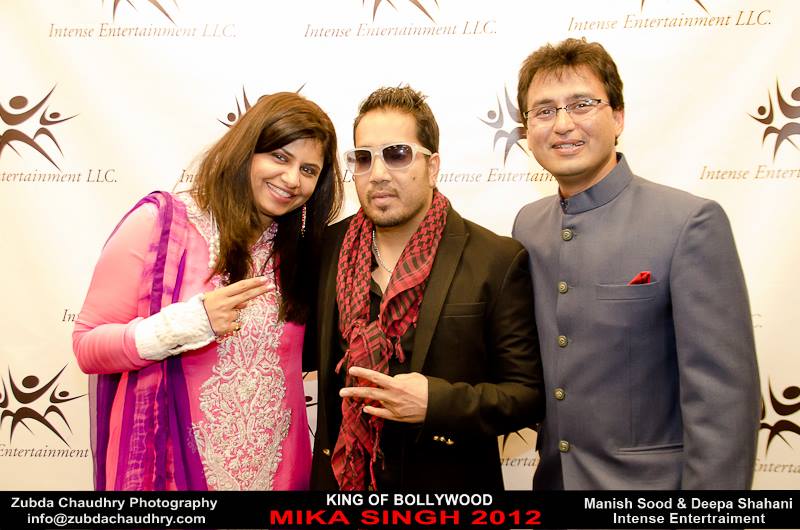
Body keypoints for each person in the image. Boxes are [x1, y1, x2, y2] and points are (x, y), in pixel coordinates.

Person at [513, 37, 760, 490]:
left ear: (618, 117)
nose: (563, 124)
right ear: (527, 131)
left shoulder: (688, 223)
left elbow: (723, 403)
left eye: (582, 104)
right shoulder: (528, 226)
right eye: (544, 111)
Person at [73, 92, 343, 491]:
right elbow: (87, 346)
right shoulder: (160, 225)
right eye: (279, 157)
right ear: (246, 151)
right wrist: (185, 324)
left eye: (308, 169)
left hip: (280, 474)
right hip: (175, 474)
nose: (292, 179)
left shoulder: (301, 253)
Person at [306, 86, 544, 491]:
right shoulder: (329, 247)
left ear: (432, 166)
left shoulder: (496, 259)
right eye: (363, 158)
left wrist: (436, 403)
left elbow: (527, 395)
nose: (378, 174)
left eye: (397, 154)